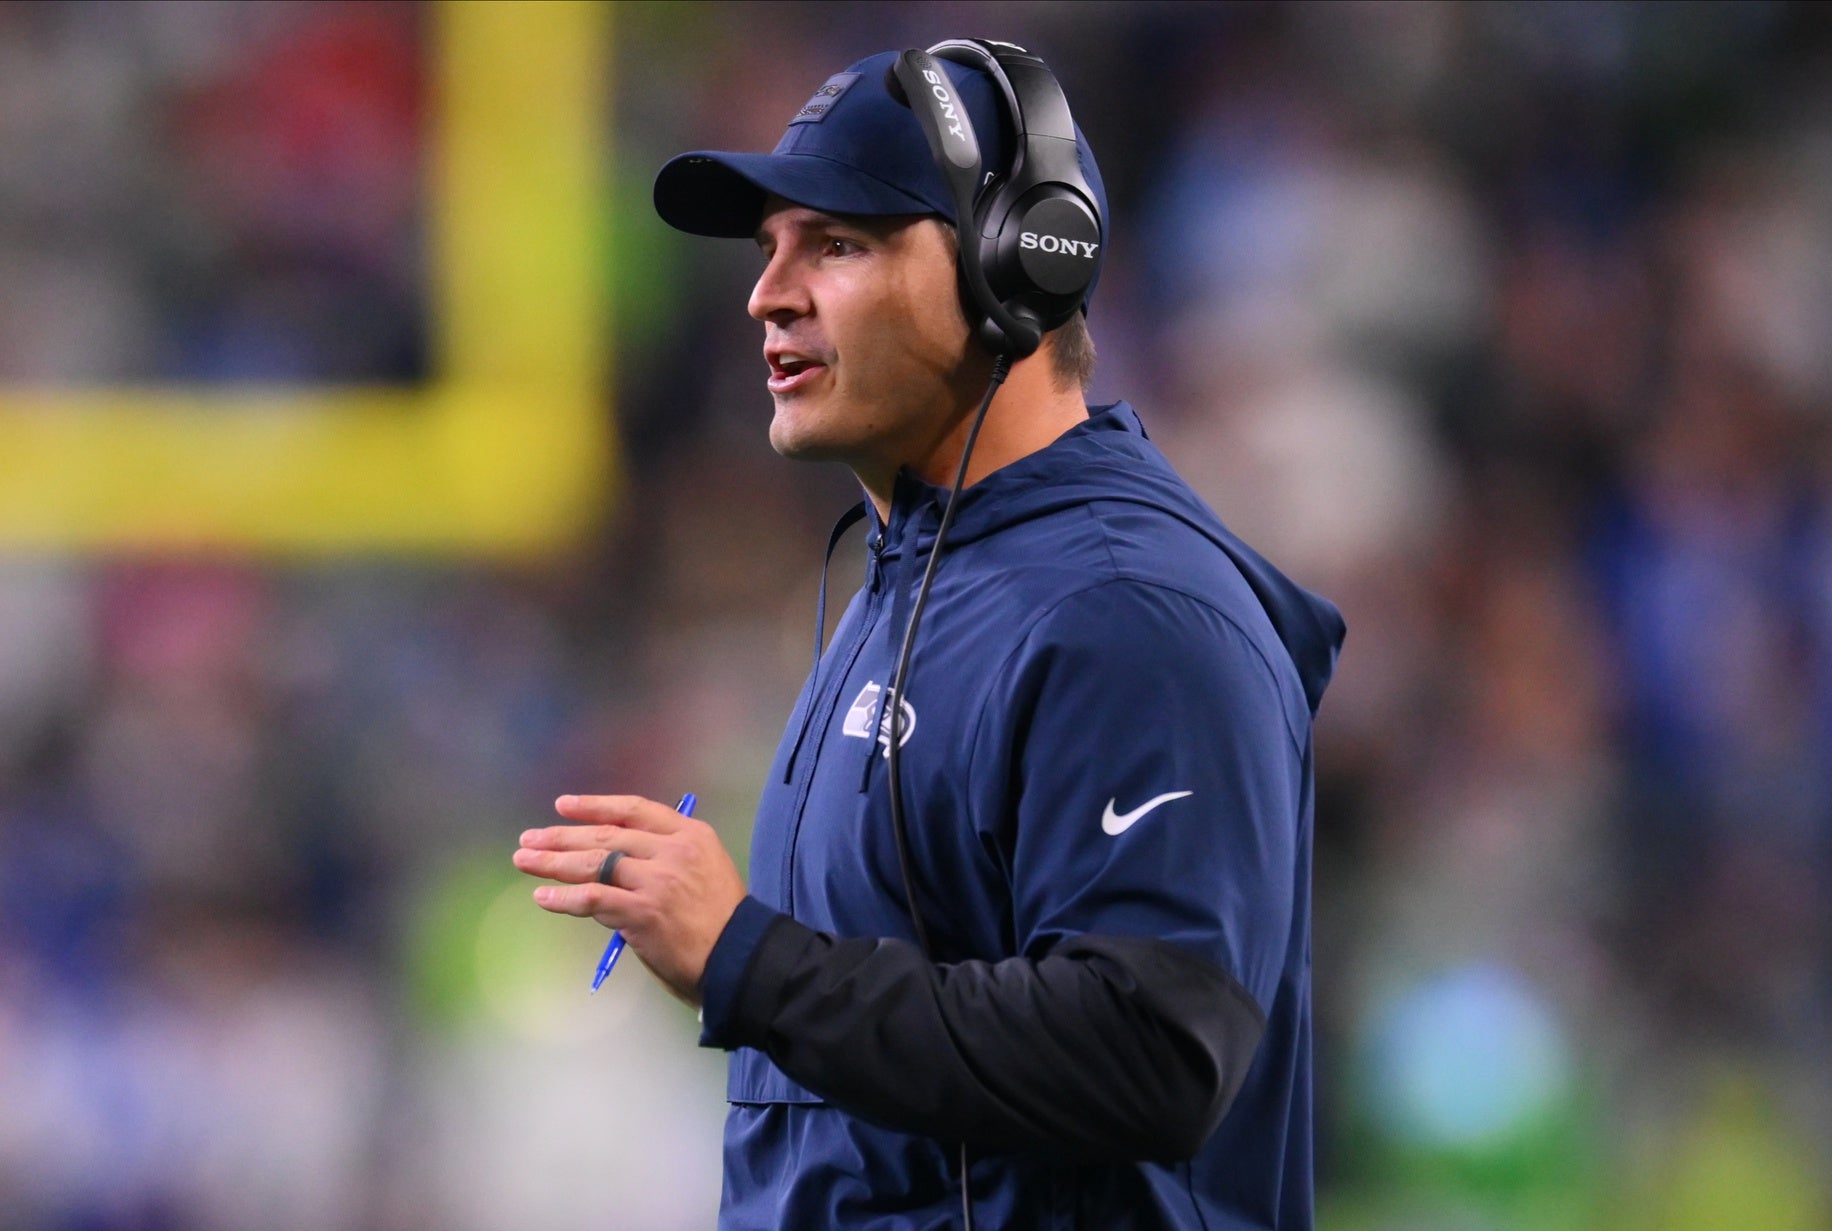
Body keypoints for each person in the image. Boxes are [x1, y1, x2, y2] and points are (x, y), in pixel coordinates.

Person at [513, 41, 1344, 1230]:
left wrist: (749, 958)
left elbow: (1153, 1049)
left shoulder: (1127, 613)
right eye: (768, 250)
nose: (769, 294)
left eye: (838, 244)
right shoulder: (906, 586)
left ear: (1022, 263)